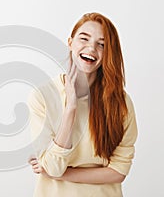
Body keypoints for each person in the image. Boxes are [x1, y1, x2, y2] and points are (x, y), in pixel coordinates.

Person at [27, 12, 138, 197]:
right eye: (84, 39)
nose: (91, 48)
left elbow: (118, 172)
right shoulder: (42, 97)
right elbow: (53, 167)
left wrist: (64, 174)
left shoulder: (120, 103)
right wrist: (70, 108)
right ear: (70, 43)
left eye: (101, 44)